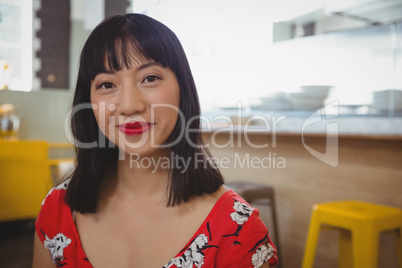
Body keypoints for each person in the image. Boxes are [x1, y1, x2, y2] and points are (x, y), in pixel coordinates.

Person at [32, 13, 278, 268]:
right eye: (107, 84)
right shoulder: (57, 208)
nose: (129, 105)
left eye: (150, 78)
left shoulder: (237, 228)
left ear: (183, 89)